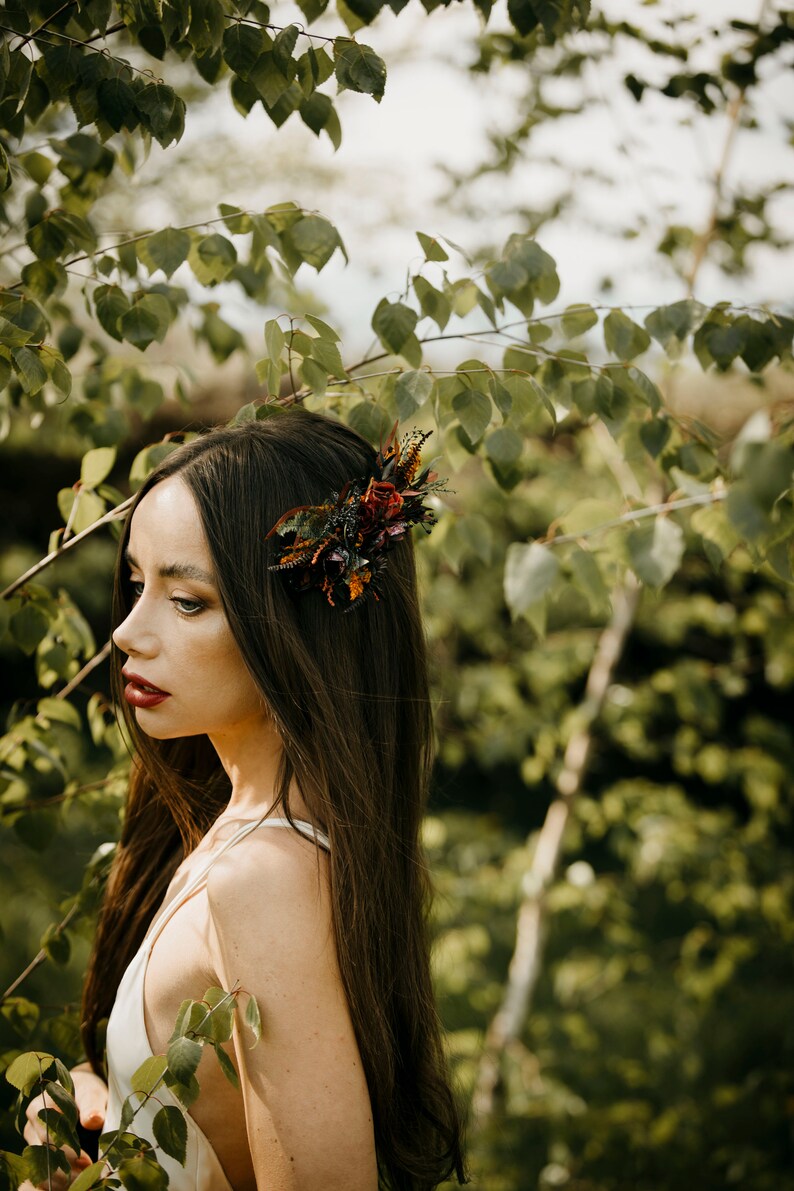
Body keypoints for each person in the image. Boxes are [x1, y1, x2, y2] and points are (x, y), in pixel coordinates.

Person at [23, 410, 467, 1190]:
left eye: (187, 601)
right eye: (135, 585)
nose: (127, 631)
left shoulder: (264, 877)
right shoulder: (239, 828)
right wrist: (105, 1119)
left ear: (291, 628)